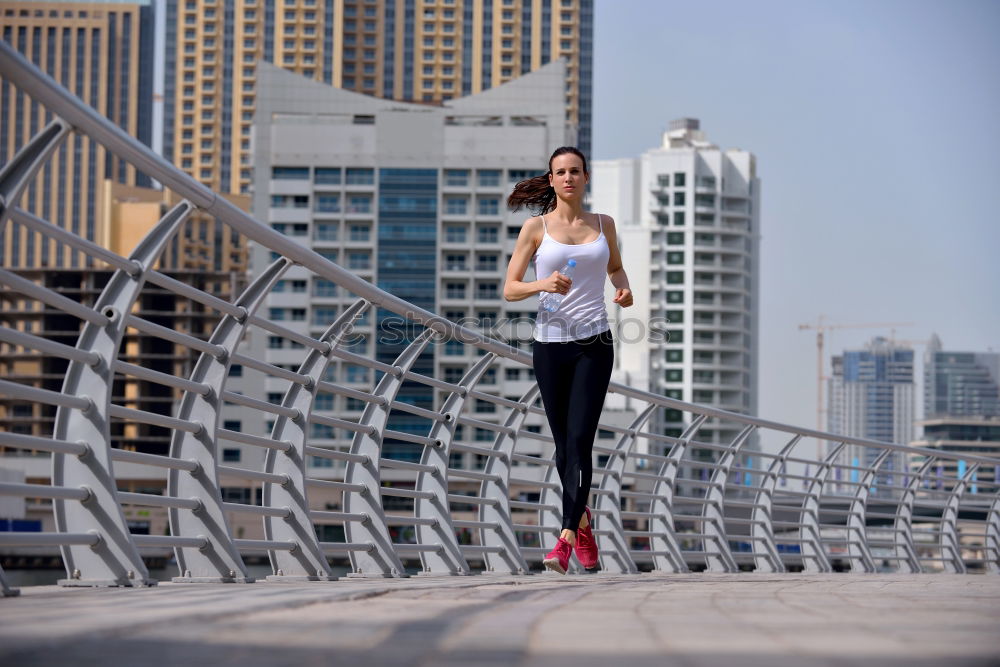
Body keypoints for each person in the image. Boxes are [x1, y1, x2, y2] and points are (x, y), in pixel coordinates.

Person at [503, 146, 634, 575]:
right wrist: (544, 283)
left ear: (585, 177)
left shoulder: (604, 225)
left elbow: (615, 267)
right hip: (551, 346)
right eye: (560, 172)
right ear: (553, 178)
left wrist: (624, 288)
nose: (568, 178)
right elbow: (510, 288)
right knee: (564, 448)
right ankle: (583, 525)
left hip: (594, 345)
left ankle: (562, 539)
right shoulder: (535, 228)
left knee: (580, 441)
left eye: (575, 171)